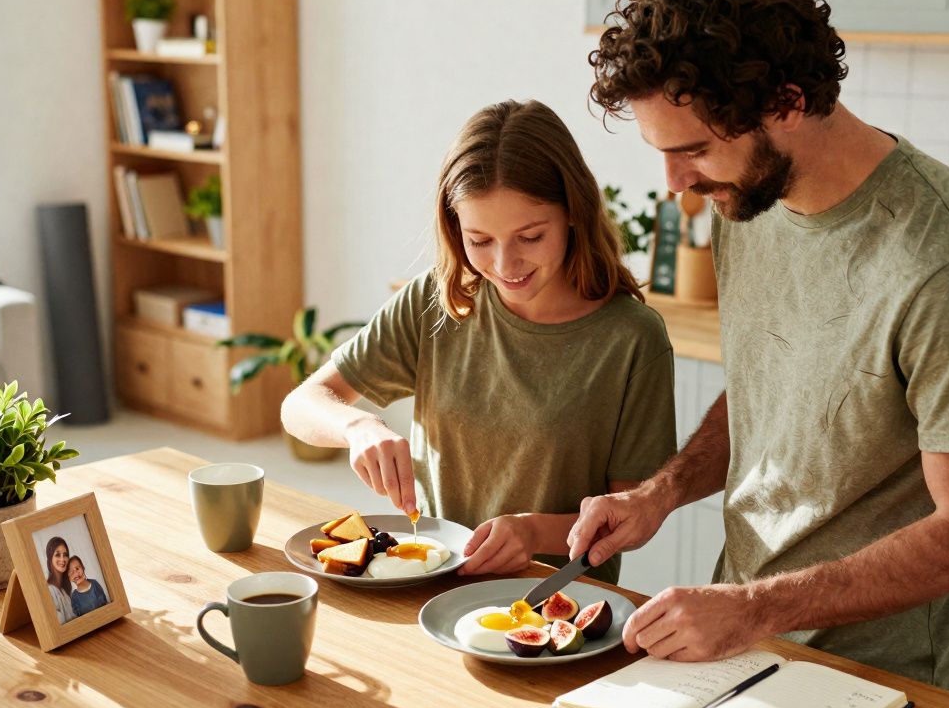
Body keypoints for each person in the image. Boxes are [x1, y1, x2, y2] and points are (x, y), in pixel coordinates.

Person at [568, 0, 949, 696]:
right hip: (749, 641)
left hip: (884, 678)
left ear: (786, 102)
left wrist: (755, 608)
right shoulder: (749, 203)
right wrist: (658, 494)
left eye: (692, 150)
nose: (676, 185)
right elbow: (773, 384)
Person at [281, 99, 677, 584]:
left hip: (548, 607)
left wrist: (532, 533)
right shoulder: (436, 299)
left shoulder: (631, 337)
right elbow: (302, 405)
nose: (505, 266)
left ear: (574, 213)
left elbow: (629, 518)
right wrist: (357, 427)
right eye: (480, 240)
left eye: (530, 237)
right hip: (428, 582)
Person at [44, 537, 76, 625]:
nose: (62, 559)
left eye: (65, 555)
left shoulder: (65, 592)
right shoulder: (49, 591)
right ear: (50, 558)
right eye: (57, 555)